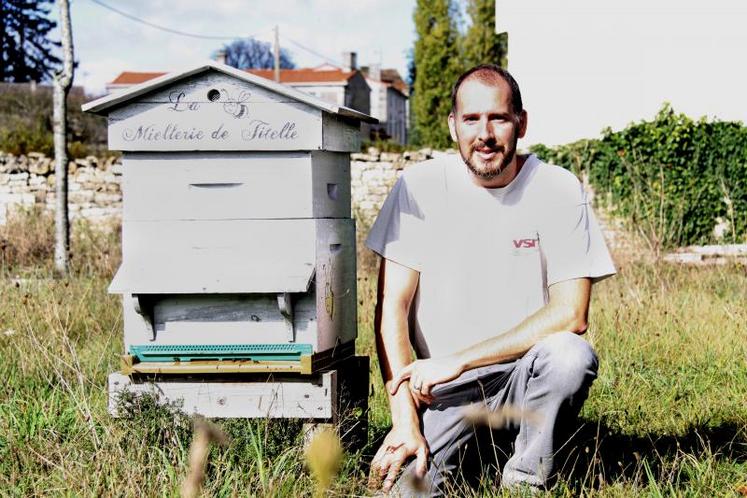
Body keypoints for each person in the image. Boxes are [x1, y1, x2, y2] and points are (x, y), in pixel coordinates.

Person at [365, 64, 616, 496]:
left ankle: (525, 479)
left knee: (570, 355)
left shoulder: (558, 189)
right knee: (402, 491)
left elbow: (571, 314)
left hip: (523, 378)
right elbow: (392, 311)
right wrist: (405, 422)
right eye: (471, 119)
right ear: (452, 126)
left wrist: (460, 358)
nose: (484, 133)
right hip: (443, 394)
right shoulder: (417, 187)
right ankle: (455, 449)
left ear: (521, 122)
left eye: (498, 118)